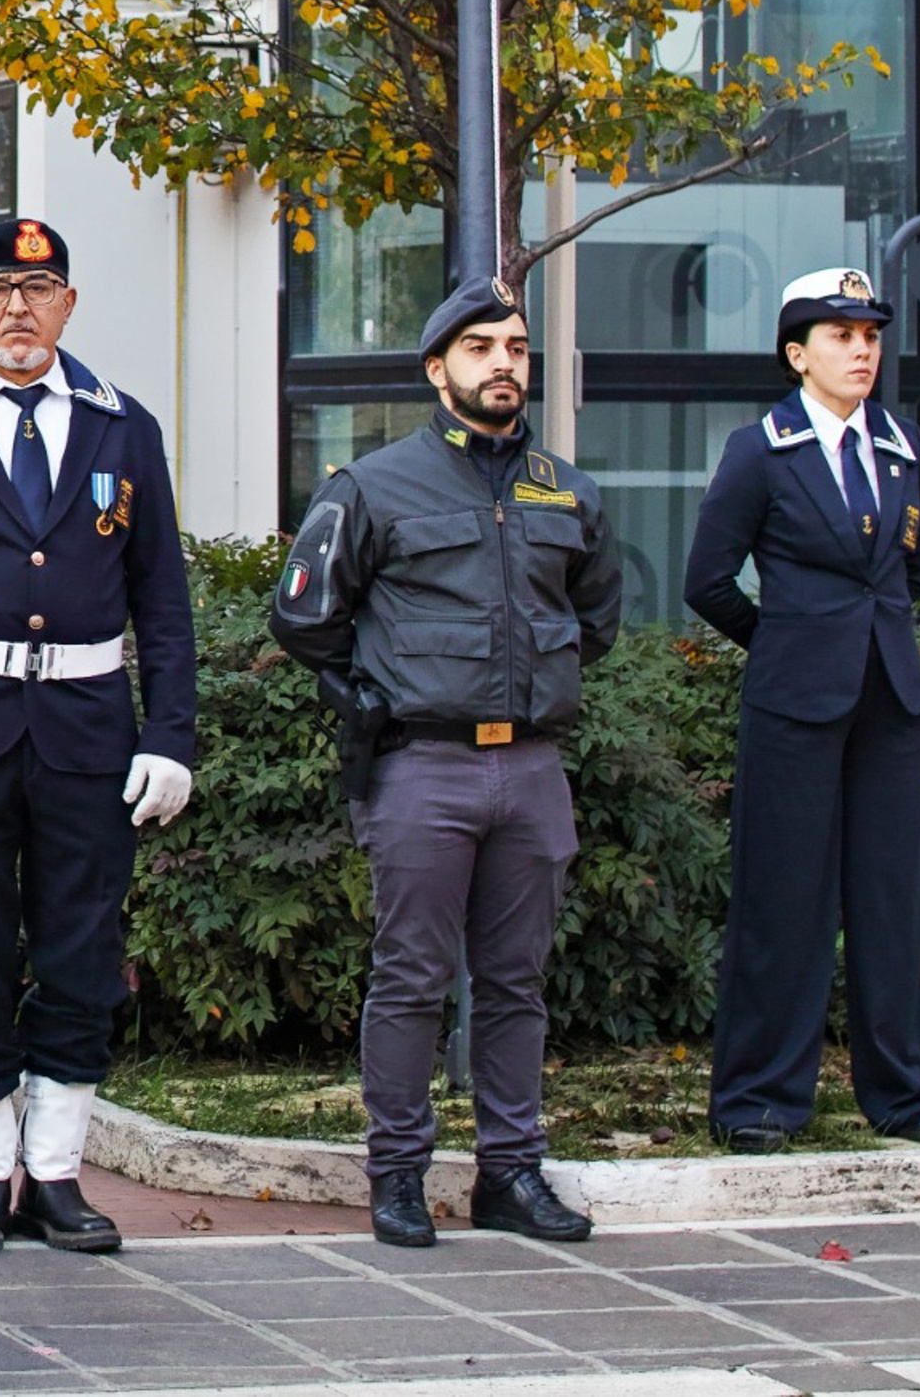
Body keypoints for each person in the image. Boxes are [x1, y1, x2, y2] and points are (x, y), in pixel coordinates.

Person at [270, 275, 623, 1248]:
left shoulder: (567, 491)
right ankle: (397, 1174)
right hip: (422, 766)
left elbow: (595, 620)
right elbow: (303, 615)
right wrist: (370, 693)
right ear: (437, 370)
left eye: (515, 347)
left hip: (532, 770)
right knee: (411, 978)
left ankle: (511, 1173)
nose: (503, 363)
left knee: (516, 983)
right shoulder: (373, 486)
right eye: (479, 348)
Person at [0, 217, 195, 1256]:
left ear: (68, 304)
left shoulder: (123, 426)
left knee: (81, 952)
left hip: (86, 729)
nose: (18, 308)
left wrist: (170, 732)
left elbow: (162, 597)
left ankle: (58, 1173)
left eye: (38, 288)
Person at [682, 266, 920, 1153]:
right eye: (840, 336)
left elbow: (914, 569)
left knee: (889, 900)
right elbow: (707, 582)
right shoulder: (761, 451)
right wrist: (783, 641)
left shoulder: (904, 445)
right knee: (783, 901)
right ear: (798, 355)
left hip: (888, 700)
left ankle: (906, 1096)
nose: (861, 350)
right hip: (794, 704)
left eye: (870, 335)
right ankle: (759, 1101)